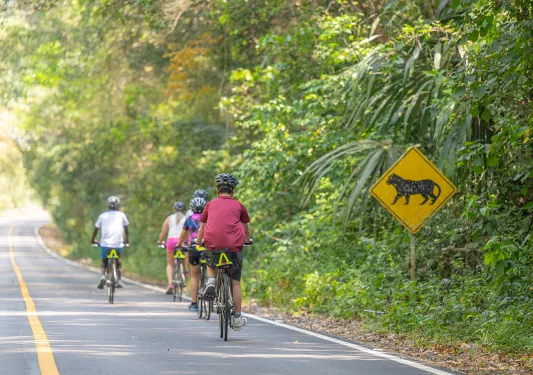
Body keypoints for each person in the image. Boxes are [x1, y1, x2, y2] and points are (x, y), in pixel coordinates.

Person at [196, 173, 251, 331]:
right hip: (234, 247)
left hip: (213, 244)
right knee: (235, 282)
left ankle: (211, 280)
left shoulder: (210, 204)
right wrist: (247, 240)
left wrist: (199, 241)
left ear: (217, 189)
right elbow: (246, 228)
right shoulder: (239, 205)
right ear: (233, 190)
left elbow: (203, 226)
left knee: (210, 259)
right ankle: (237, 318)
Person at [91, 196, 129, 289]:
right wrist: (127, 240)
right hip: (118, 244)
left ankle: (103, 276)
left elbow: (96, 229)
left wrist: (92, 240)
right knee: (118, 261)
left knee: (104, 262)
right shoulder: (122, 215)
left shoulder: (102, 216)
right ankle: (119, 280)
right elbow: (126, 228)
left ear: (108, 205)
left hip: (105, 244)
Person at [177, 196, 207, 311]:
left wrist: (179, 245)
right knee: (211, 269)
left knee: (195, 276)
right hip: (206, 247)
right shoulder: (208, 217)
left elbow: (183, 234)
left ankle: (194, 304)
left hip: (194, 248)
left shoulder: (189, 219)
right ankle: (211, 287)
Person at [158, 201, 186, 294]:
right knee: (186, 254)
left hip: (171, 241)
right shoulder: (186, 218)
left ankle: (170, 283)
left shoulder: (169, 218)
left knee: (169, 263)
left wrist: (160, 241)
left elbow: (163, 232)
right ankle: (185, 272)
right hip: (181, 241)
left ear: (174, 209)